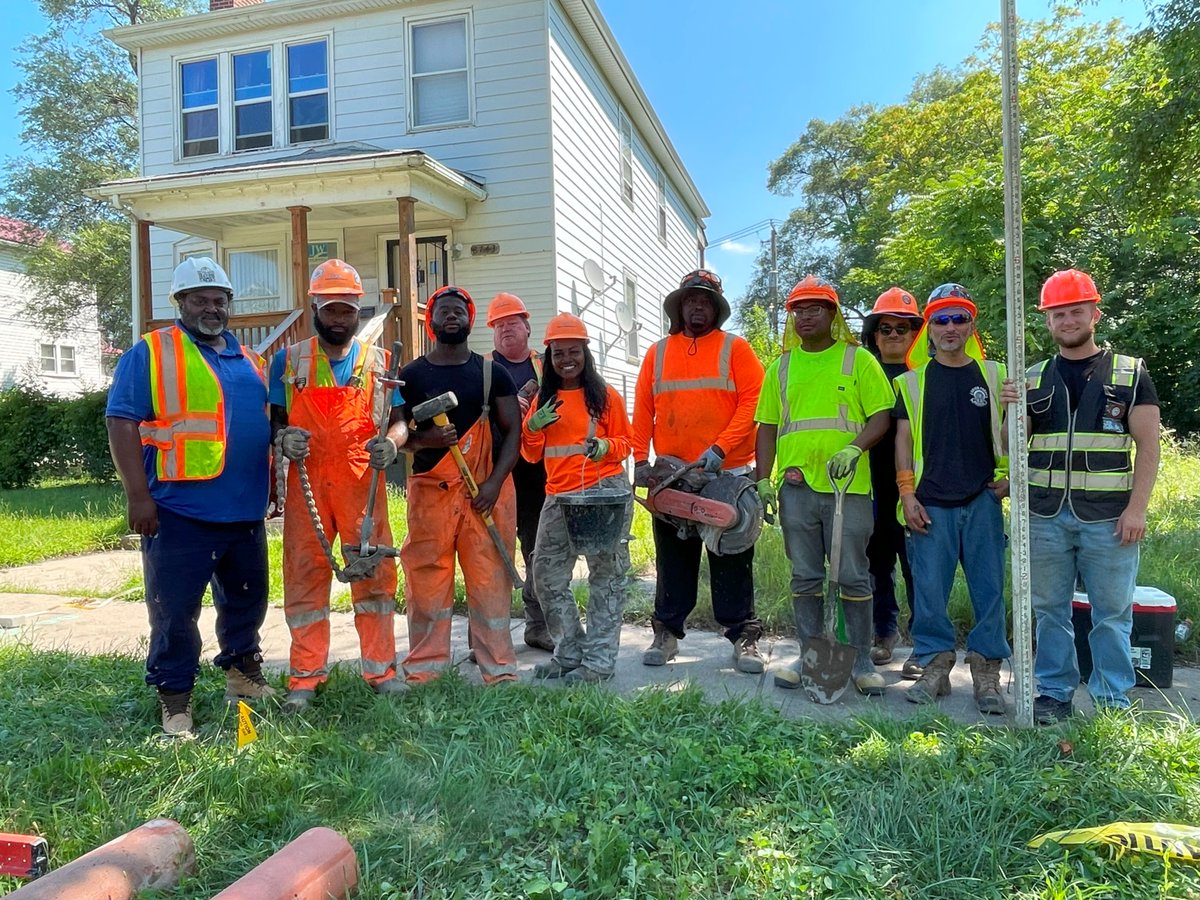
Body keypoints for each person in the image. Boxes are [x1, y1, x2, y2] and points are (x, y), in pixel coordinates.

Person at [106, 257, 274, 737]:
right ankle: (175, 698)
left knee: (247, 602)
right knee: (175, 612)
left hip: (243, 510)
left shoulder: (250, 360)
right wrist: (138, 496)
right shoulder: (152, 352)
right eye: (200, 299)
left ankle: (242, 675)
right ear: (180, 303)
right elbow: (121, 421)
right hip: (178, 512)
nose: (212, 308)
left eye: (219, 300)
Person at [1001, 269, 1160, 723]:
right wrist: (1009, 410)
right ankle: (1054, 693)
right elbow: (1009, 450)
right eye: (1058, 314)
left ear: (1094, 313)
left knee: (1112, 614)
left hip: (1109, 520)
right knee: (1050, 612)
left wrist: (1137, 509)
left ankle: (1112, 698)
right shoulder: (1032, 378)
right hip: (1044, 516)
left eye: (1076, 311)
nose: (1067, 320)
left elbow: (1149, 447)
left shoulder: (1130, 373)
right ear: (1047, 322)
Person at [270, 259, 410, 712]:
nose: (338, 318)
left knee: (374, 575)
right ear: (315, 307)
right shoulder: (288, 363)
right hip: (307, 481)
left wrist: (392, 443)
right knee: (305, 578)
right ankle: (305, 677)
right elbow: (272, 423)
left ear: (357, 310)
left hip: (360, 483)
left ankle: (382, 670)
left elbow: (401, 420)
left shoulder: (380, 363)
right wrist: (283, 438)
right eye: (330, 309)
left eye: (346, 309)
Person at [755, 275, 893, 696]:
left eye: (816, 308)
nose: (806, 316)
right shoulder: (780, 367)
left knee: (853, 575)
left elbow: (882, 417)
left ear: (832, 313)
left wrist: (855, 448)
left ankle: (863, 659)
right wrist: (763, 479)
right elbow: (767, 427)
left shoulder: (859, 360)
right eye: (799, 309)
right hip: (796, 487)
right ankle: (808, 653)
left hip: (847, 489)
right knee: (805, 576)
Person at [632, 269, 766, 673]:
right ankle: (667, 632)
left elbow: (754, 402)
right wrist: (640, 460)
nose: (697, 306)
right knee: (673, 560)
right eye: (691, 300)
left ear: (716, 309)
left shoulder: (736, 349)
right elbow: (643, 409)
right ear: (679, 306)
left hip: (727, 475)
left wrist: (721, 448)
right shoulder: (657, 353)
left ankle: (744, 636)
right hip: (673, 476)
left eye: (705, 301)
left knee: (731, 557)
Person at [894, 283, 1011, 714]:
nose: (949, 327)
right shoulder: (911, 382)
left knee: (989, 591)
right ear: (928, 327)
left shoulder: (996, 375)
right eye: (940, 319)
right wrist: (907, 493)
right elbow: (903, 442)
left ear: (971, 325)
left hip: (982, 500)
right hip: (931, 503)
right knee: (928, 593)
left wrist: (1012, 478)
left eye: (959, 318)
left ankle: (986, 674)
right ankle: (935, 668)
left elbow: (1013, 431)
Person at [397, 285, 522, 684]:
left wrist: (494, 484)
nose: (451, 316)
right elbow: (400, 432)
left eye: (459, 311)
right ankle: (426, 671)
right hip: (430, 494)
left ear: (469, 321)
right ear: (431, 321)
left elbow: (514, 433)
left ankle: (498, 670)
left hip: (483, 493)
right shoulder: (411, 375)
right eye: (443, 311)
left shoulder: (492, 373)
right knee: (427, 582)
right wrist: (426, 440)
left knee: (489, 582)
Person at [523, 314, 633, 684]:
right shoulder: (545, 398)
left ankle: (599, 662)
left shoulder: (605, 397)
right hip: (560, 497)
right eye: (558, 353)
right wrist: (532, 427)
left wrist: (604, 446)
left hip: (604, 496)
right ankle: (569, 652)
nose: (566, 359)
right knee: (546, 577)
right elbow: (530, 455)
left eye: (574, 352)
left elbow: (626, 444)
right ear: (549, 358)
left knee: (606, 578)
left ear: (586, 354)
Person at [485, 292, 552, 652]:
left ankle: (538, 624)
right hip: (494, 472)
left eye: (512, 323)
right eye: (499, 325)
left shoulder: (547, 365)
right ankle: (488, 634)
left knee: (538, 550)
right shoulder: (481, 368)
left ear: (527, 328)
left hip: (536, 473)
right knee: (490, 553)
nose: (506, 329)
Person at [860, 287, 921, 676]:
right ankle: (884, 634)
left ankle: (924, 644)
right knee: (876, 566)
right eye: (886, 328)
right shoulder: (864, 372)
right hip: (870, 487)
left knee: (920, 568)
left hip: (918, 488)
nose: (895, 335)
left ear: (917, 334)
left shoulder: (928, 374)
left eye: (903, 328)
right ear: (874, 334)